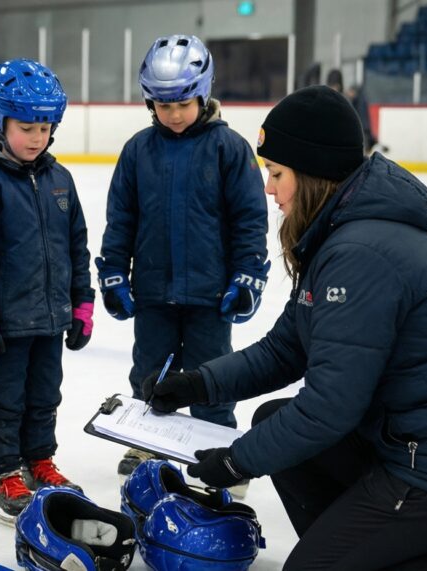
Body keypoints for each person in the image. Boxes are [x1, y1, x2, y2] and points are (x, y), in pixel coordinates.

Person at [143, 85, 427, 569]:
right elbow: (286, 349)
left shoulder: (358, 254)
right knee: (274, 424)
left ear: (311, 175)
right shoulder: (338, 238)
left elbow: (330, 406)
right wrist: (200, 383)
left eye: (276, 173)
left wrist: (238, 461)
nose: (268, 188)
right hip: (413, 442)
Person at [97, 34, 269, 476]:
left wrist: (248, 275)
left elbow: (249, 219)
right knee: (149, 370)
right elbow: (122, 219)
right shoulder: (138, 151)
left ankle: (217, 450)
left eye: (182, 103)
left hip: (211, 295)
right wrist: (115, 273)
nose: (173, 114)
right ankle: (145, 441)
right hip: (153, 291)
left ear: (203, 93)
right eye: (162, 105)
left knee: (213, 374)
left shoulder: (228, 149)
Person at [0, 59, 94, 526]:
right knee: (1, 400)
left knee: (43, 395)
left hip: (50, 318)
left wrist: (82, 302)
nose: (37, 137)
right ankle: (1, 472)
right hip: (5, 324)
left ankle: (38, 459)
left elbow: (76, 243)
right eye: (26, 127)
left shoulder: (60, 179)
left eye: (44, 127)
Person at [327, 68, 380, 155]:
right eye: (332, 85)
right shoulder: (326, 99)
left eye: (336, 85)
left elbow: (360, 121)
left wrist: (367, 138)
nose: (334, 88)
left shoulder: (350, 100)